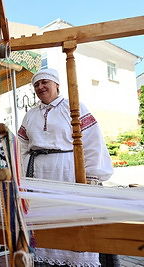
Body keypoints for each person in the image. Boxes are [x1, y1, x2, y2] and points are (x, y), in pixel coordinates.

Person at [17, 68, 115, 266]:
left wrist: (92, 175)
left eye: (45, 82)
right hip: (36, 175)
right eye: (36, 84)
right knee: (42, 221)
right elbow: (21, 146)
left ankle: (73, 260)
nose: (40, 87)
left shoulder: (73, 106)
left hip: (66, 172)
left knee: (70, 218)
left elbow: (92, 140)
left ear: (57, 85)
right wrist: (19, 173)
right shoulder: (30, 114)